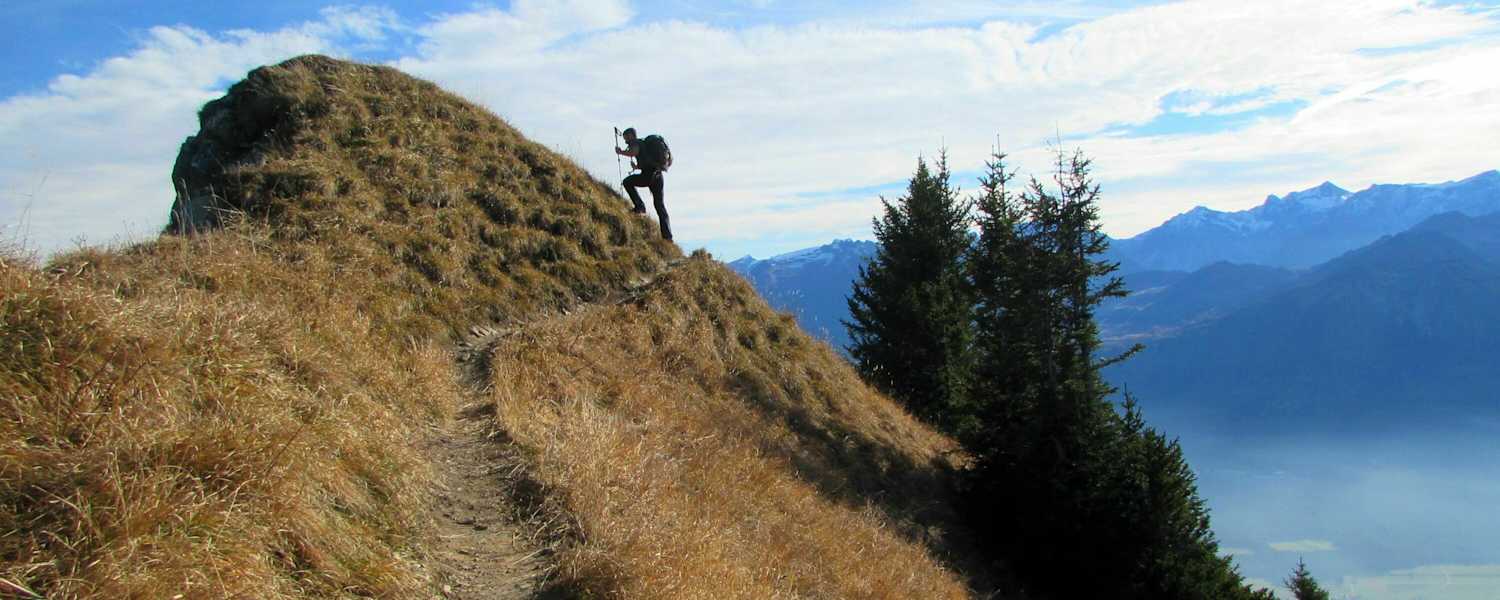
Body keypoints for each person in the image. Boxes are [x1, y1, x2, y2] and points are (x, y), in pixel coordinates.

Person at [615, 127, 672, 241]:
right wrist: (637, 167)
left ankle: (640, 206)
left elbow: (634, 152)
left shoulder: (637, 142)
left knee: (627, 182)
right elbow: (647, 162)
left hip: (648, 175)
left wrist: (621, 152)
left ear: (631, 135)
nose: (626, 142)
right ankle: (668, 237)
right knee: (660, 206)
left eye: (626, 139)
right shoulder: (645, 145)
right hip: (658, 176)